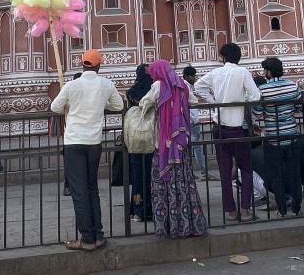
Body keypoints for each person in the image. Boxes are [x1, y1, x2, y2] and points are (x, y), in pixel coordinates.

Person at [50, 49, 123, 251]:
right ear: (99, 66)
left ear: (82, 64)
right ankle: (97, 234)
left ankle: (87, 239)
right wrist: (100, 104)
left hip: (74, 141)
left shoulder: (71, 86)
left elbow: (55, 108)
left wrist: (71, 105)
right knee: (91, 188)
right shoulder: (106, 84)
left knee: (79, 191)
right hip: (94, 142)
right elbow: (117, 106)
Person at [140, 59, 208, 238]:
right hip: (181, 141)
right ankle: (189, 225)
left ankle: (169, 226)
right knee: (185, 181)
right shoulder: (182, 84)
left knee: (164, 182)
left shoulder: (158, 86)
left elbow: (143, 103)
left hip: (163, 143)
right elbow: (193, 102)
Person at [195, 42, 261, 222]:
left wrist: (215, 103)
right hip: (237, 129)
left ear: (223, 57)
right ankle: (245, 210)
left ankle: (231, 212)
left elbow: (199, 86)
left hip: (218, 128)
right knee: (246, 169)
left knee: (225, 171)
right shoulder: (243, 72)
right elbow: (255, 96)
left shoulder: (216, 73)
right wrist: (242, 102)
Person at [253, 57, 303, 217]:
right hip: (292, 134)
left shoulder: (263, 90)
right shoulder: (293, 86)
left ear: (268, 71)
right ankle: (296, 208)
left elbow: (257, 112)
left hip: (273, 137)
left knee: (276, 174)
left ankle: (282, 209)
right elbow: (298, 105)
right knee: (294, 172)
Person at [126, 64, 155, 222]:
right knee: (151, 175)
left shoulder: (131, 92)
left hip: (135, 139)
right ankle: (149, 209)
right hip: (151, 137)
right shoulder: (153, 90)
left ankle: (136, 209)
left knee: (137, 176)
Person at [182, 66, 210, 180]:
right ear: (187, 76)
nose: (194, 78)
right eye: (193, 76)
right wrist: (194, 119)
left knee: (190, 146)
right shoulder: (186, 86)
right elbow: (192, 103)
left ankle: (190, 171)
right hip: (191, 120)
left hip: (187, 119)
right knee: (196, 146)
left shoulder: (184, 86)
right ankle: (203, 171)